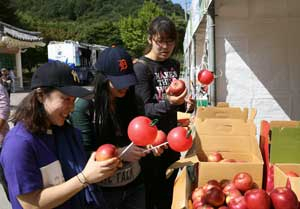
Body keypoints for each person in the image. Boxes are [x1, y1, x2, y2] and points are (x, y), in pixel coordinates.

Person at [0, 61, 120, 209]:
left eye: (74, 100)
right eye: (66, 99)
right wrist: (84, 178)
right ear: (40, 96)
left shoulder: (64, 130)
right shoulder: (18, 145)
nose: (72, 107)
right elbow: (30, 204)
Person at [70, 46, 148, 209]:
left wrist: (151, 143)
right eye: (118, 82)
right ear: (102, 79)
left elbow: (141, 137)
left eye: (128, 81)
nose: (125, 87)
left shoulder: (134, 101)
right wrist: (120, 153)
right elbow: (83, 153)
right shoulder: (84, 107)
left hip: (135, 186)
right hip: (102, 192)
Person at [133, 16, 195, 209]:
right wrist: (169, 103)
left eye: (170, 41)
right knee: (152, 194)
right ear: (150, 39)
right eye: (161, 41)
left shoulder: (173, 65)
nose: (165, 47)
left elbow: (173, 104)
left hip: (172, 140)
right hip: (151, 142)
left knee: (170, 191)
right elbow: (144, 109)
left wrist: (186, 105)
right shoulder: (141, 68)